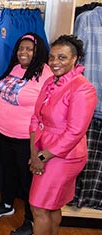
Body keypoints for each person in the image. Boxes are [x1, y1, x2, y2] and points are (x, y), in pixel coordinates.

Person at [28, 35, 97, 235]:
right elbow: (36, 117)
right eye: (52, 57)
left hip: (64, 157)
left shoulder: (83, 88)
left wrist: (41, 157)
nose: (55, 62)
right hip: (43, 150)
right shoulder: (50, 81)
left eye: (62, 58)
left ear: (75, 59)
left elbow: (74, 132)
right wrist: (34, 151)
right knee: (51, 205)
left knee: (39, 207)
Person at [0, 33, 52, 235]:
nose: (24, 52)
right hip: (4, 132)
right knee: (8, 171)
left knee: (28, 181)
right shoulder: (15, 67)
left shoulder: (45, 74)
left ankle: (31, 221)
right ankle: (6, 204)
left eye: (29, 49)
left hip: (27, 138)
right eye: (21, 48)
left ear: (38, 51)